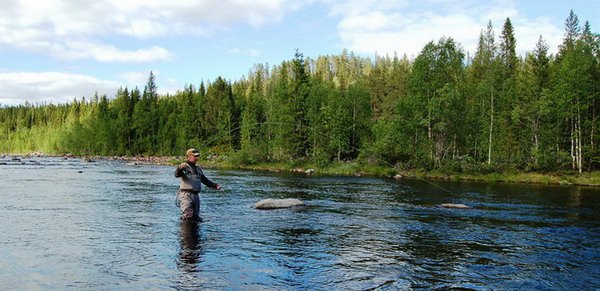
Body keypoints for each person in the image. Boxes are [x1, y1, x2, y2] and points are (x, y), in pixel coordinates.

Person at [175, 148, 221, 220]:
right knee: (188, 216)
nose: (197, 158)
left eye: (197, 156)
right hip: (186, 195)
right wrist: (179, 168)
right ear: (189, 156)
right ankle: (186, 231)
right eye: (195, 156)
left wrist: (215, 185)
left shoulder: (198, 169)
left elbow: (204, 180)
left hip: (196, 196)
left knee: (196, 218)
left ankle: (194, 231)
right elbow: (177, 174)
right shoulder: (184, 166)